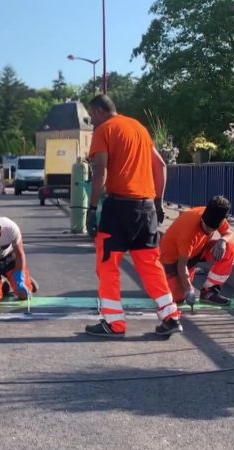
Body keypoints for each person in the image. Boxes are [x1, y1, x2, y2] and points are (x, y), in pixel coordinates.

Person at [83, 94, 182, 338]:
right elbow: (160, 166)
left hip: (118, 208)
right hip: (145, 207)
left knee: (108, 264)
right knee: (150, 265)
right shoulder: (138, 128)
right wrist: (158, 202)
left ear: (97, 112)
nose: (91, 122)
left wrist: (92, 208)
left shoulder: (104, 130)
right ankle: (170, 317)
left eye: (90, 116)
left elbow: (100, 170)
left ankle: (114, 323)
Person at [160, 196, 234, 307]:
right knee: (177, 298)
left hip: (196, 252)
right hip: (172, 262)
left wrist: (223, 241)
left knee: (229, 247)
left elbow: (229, 233)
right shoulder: (187, 231)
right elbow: (182, 265)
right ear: (202, 218)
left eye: (212, 230)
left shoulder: (217, 215)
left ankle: (209, 291)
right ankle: (162, 282)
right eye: (206, 227)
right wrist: (189, 288)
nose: (207, 231)